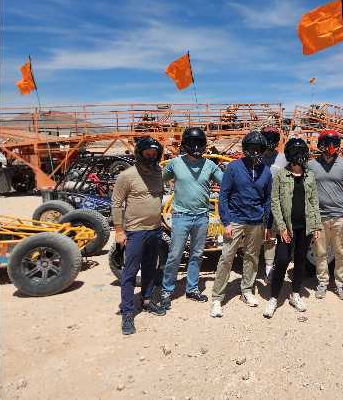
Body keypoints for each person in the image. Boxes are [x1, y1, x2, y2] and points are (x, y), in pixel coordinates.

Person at [211, 131, 272, 318]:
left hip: (256, 221)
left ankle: (247, 290)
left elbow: (267, 199)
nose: (255, 152)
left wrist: (267, 224)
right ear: (245, 149)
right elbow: (224, 195)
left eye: (258, 149)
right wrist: (226, 222)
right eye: (252, 148)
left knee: (252, 257)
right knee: (226, 257)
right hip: (236, 220)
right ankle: (217, 298)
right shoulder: (234, 167)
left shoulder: (266, 171)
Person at [160, 127, 223, 309]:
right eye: (192, 143)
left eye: (199, 143)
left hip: (202, 216)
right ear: (185, 144)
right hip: (181, 216)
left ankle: (192, 288)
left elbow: (226, 181)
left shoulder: (209, 165)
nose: (196, 147)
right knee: (175, 255)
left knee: (197, 254)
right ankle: (167, 290)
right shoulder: (175, 163)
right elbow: (158, 179)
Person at [112, 137, 166, 335]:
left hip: (155, 229)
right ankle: (127, 312)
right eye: (147, 153)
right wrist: (119, 230)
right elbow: (116, 203)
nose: (151, 157)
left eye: (154, 154)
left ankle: (146, 300)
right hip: (135, 231)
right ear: (140, 154)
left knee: (150, 268)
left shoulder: (159, 172)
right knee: (130, 272)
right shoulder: (127, 176)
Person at [263, 138, 322, 318]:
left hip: (304, 226)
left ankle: (295, 293)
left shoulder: (309, 175)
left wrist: (316, 225)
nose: (299, 156)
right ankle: (274, 297)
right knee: (282, 260)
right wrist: (281, 228)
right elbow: (275, 203)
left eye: (302, 152)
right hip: (287, 227)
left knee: (300, 260)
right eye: (296, 152)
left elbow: (314, 201)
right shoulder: (281, 175)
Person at [308, 129, 343, 301]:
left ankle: (339, 283)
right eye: (326, 143)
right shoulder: (311, 165)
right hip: (320, 217)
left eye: (333, 143)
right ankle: (322, 282)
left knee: (341, 253)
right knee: (320, 253)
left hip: (340, 217)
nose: (330, 147)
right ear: (320, 144)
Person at [260, 126, 287, 282]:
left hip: (278, 205)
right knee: (264, 236)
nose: (270, 142)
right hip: (259, 204)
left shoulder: (284, 159)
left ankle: (270, 268)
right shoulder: (257, 158)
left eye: (273, 139)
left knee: (274, 236)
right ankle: (266, 267)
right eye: (267, 138)